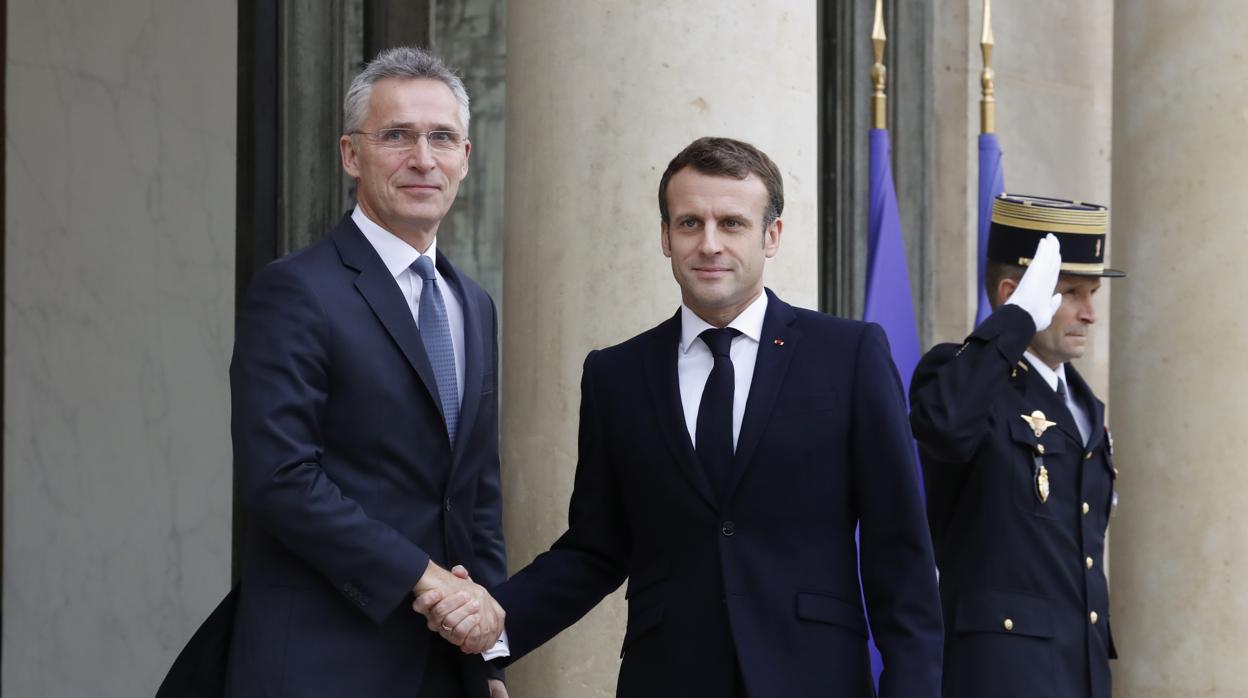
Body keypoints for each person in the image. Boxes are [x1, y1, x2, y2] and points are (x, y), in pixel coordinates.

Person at [419, 136, 943, 697]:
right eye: (690, 223)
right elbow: (595, 547)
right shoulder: (615, 374)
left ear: (772, 236)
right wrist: (496, 621)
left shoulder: (849, 355)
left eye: (732, 224)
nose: (709, 244)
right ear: (666, 238)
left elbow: (900, 553)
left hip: (814, 678)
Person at [224, 46, 507, 698]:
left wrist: (486, 653)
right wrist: (423, 576)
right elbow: (280, 477)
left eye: (442, 138)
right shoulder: (295, 290)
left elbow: (477, 494)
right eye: (397, 137)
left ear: (466, 158)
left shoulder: (474, 306)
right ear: (352, 154)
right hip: (323, 664)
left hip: (444, 671)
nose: (422, 159)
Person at [909, 194, 1123, 698]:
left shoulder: (1083, 404)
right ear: (1014, 294)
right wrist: (1014, 322)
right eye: (1071, 292)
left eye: (1093, 293)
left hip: (1078, 673)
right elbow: (944, 424)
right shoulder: (960, 378)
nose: (1090, 313)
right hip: (1001, 675)